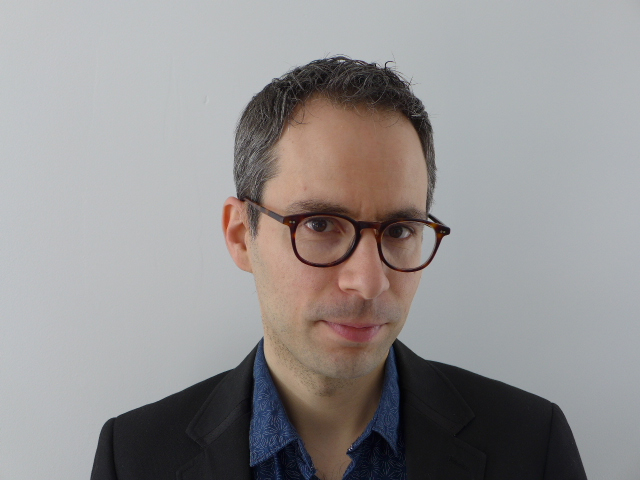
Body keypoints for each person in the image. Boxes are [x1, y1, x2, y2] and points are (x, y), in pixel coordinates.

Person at [91, 57, 587, 480]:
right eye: (320, 224)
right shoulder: (133, 458)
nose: (369, 282)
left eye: (399, 230)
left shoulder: (532, 445)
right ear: (241, 235)